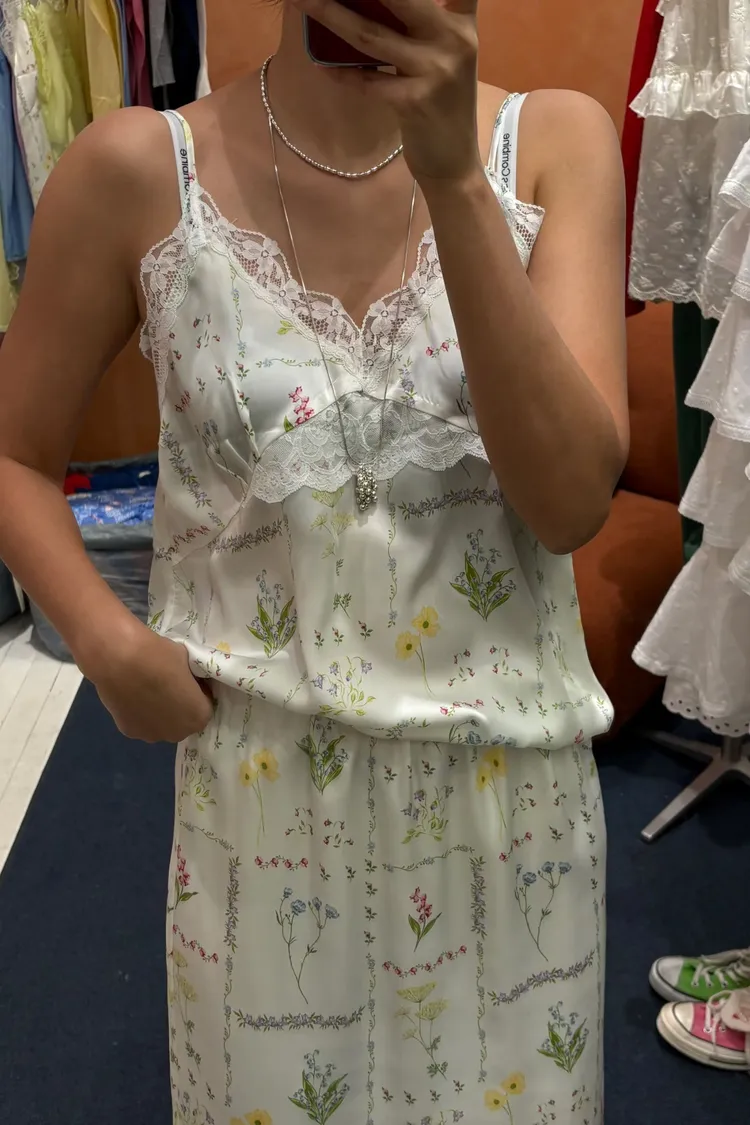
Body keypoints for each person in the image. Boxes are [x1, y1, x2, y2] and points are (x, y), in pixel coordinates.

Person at [0, 1, 628, 1121]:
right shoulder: (140, 171)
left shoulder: (551, 147)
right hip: (265, 817)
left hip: (510, 815)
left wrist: (455, 182)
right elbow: (13, 451)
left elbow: (572, 502)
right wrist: (101, 636)